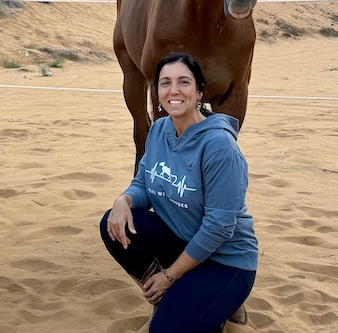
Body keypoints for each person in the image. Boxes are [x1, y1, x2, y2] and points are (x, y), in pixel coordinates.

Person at [100, 52, 258, 333]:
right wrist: (123, 199)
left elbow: (219, 227)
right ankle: (165, 298)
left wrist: (170, 276)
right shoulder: (159, 129)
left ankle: (217, 301)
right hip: (183, 244)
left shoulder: (220, 147)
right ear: (157, 91)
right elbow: (143, 184)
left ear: (199, 92)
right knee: (113, 223)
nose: (173, 90)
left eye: (184, 82)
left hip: (226, 260)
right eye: (165, 83)